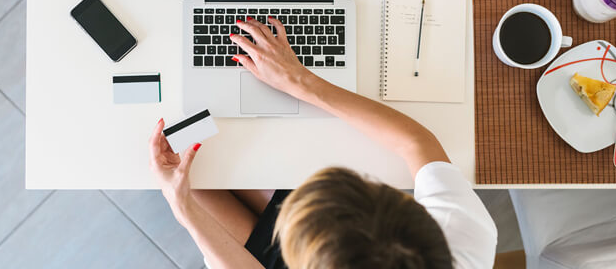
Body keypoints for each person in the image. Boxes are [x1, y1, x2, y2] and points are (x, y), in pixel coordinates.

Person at [149, 17, 497, 269]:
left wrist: (183, 208)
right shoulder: (464, 238)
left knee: (188, 183)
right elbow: (416, 143)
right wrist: (299, 81)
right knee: (213, 164)